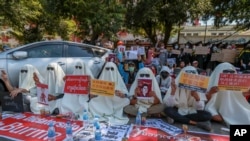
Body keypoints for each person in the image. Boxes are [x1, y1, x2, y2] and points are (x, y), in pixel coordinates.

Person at [163, 66, 212, 131]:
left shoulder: (197, 87)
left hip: (191, 111)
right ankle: (195, 123)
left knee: (207, 115)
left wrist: (197, 98)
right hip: (178, 110)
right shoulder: (176, 85)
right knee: (168, 110)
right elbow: (169, 105)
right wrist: (173, 92)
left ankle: (178, 118)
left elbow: (200, 108)